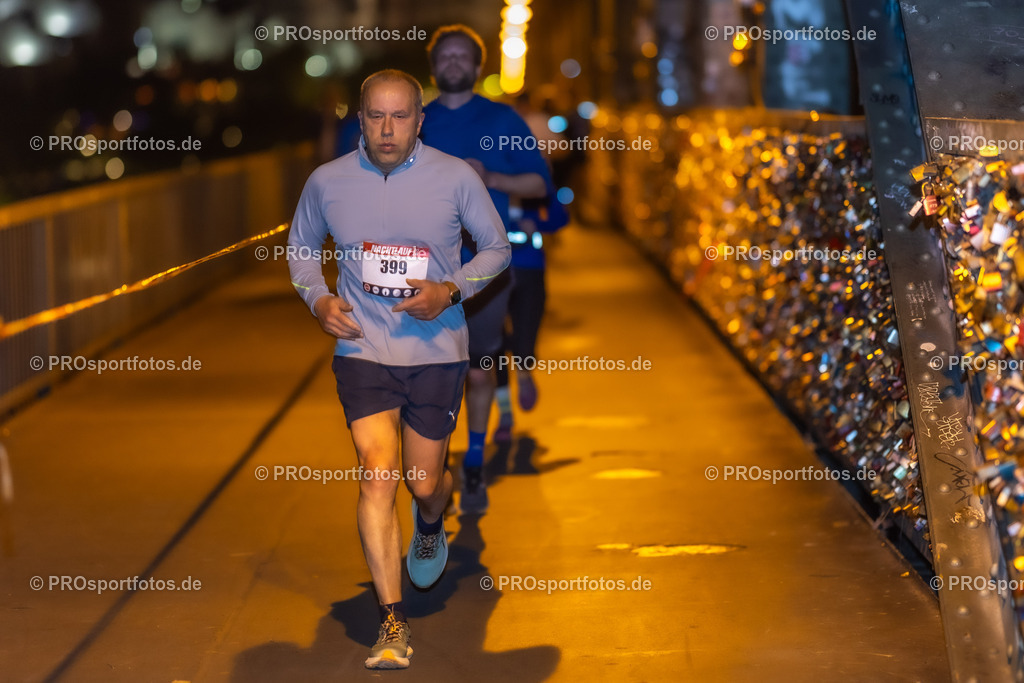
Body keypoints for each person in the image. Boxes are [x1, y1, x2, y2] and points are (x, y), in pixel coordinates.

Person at [287, 68, 510, 670]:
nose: (388, 129)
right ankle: (392, 619)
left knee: (421, 483)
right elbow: (302, 250)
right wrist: (318, 299)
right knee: (377, 471)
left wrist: (450, 290)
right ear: (360, 120)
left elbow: (497, 248)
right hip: (363, 351)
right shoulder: (327, 182)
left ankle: (432, 523)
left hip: (436, 351)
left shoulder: (455, 176)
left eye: (401, 116)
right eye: (376, 117)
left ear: (420, 119)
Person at [419, 24, 551, 512]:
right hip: (423, 271)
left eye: (462, 56)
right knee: (430, 378)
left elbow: (539, 184)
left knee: (478, 373)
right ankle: (435, 471)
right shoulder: (416, 121)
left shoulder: (502, 119)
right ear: (433, 66)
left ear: (478, 66)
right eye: (445, 56)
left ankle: (473, 463)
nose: (453, 63)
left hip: (484, 268)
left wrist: (490, 175)